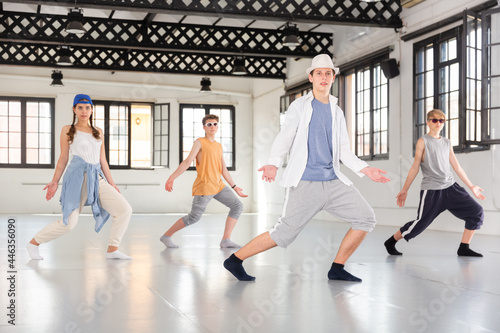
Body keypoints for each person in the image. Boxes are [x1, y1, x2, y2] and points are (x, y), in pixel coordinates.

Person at [223, 54, 390, 282]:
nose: (324, 77)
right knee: (283, 233)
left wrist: (366, 169)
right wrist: (273, 162)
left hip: (333, 182)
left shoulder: (336, 110)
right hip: (305, 183)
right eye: (319, 73)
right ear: (311, 77)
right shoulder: (299, 106)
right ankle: (235, 260)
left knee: (366, 218)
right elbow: (286, 136)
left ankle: (337, 268)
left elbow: (343, 150)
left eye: (328, 73)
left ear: (333, 78)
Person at [26, 94, 133, 260]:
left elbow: (102, 160)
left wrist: (112, 183)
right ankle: (34, 243)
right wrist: (55, 181)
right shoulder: (68, 130)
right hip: (76, 178)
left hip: (96, 178)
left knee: (124, 209)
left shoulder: (98, 132)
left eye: (87, 107)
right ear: (74, 109)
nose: (84, 111)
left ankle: (112, 249)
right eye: (80, 107)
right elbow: (63, 158)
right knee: (68, 224)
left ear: (91, 109)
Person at [384, 109, 485, 257]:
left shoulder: (446, 142)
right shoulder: (423, 141)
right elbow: (415, 167)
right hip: (432, 191)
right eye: (435, 120)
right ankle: (391, 241)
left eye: (441, 120)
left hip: (451, 188)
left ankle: (464, 247)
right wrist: (404, 189)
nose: (438, 123)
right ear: (428, 122)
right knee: (420, 224)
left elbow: (457, 167)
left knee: (477, 212)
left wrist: (472, 186)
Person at [161, 114, 247, 248]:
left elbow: (224, 170)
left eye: (215, 124)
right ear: (204, 127)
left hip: (218, 185)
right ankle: (166, 236)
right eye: (209, 124)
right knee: (193, 218)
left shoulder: (218, 146)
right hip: (204, 186)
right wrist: (171, 178)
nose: (212, 126)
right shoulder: (199, 142)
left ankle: (226, 240)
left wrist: (235, 187)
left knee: (237, 206)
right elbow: (187, 162)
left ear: (218, 127)